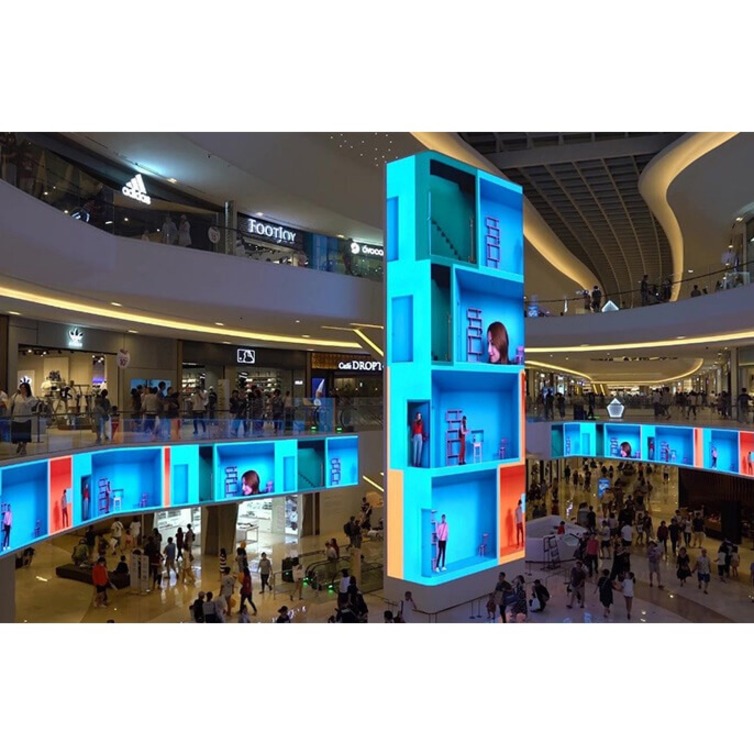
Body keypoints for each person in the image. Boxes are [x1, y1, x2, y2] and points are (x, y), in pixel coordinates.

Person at [10, 382, 37, 455]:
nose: (22, 389)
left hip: (25, 419)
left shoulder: (31, 398)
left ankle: (24, 447)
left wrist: (24, 397)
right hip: (16, 418)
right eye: (21, 388)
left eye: (24, 388)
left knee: (25, 434)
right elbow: (11, 403)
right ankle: (19, 444)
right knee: (17, 434)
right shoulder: (16, 396)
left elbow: (28, 405)